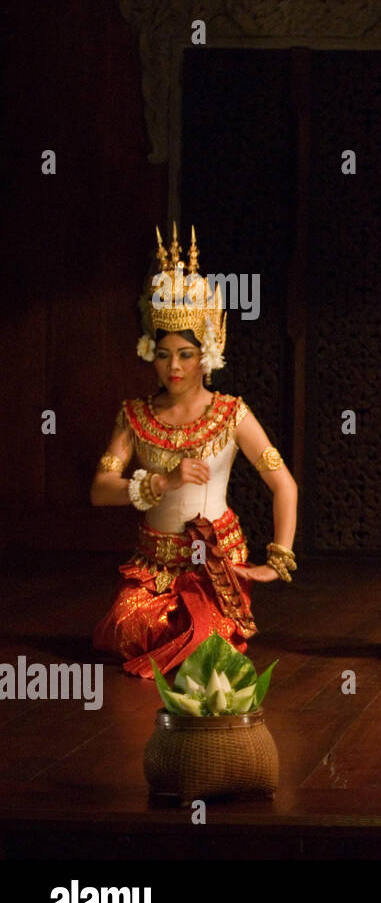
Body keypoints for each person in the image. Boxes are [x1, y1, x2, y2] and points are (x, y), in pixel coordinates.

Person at [91, 225, 298, 678]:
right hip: (153, 562)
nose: (175, 367)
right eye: (163, 355)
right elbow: (101, 491)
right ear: (151, 352)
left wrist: (277, 558)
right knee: (129, 631)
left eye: (186, 354)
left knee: (206, 645)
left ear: (207, 354)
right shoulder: (134, 415)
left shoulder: (230, 413)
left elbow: (283, 484)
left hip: (214, 561)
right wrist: (161, 482)